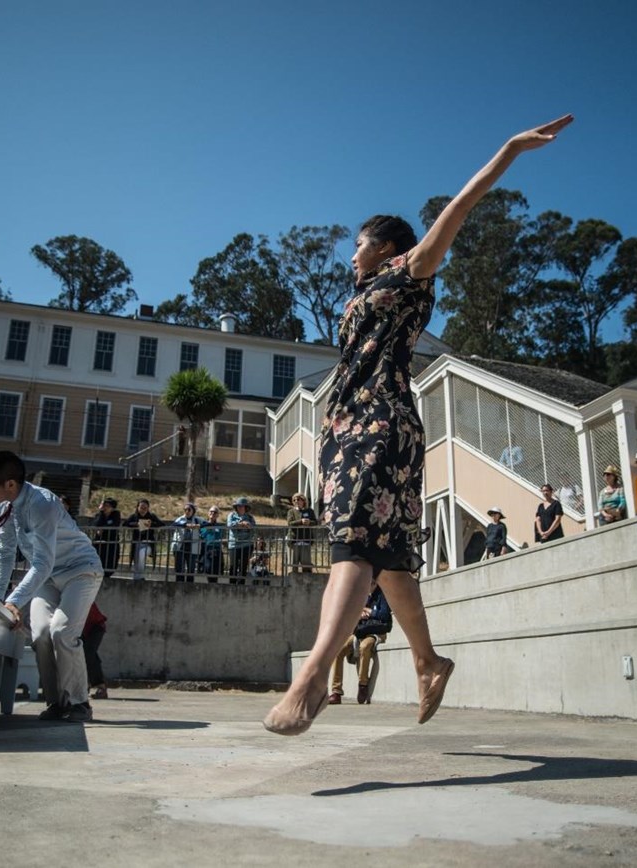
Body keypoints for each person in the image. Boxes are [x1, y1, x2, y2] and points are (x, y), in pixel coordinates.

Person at [264, 113, 574, 736]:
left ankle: (312, 678)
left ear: (386, 246)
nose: (352, 253)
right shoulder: (365, 293)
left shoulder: (410, 274)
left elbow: (460, 206)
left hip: (382, 423)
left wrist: (510, 149)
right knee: (391, 560)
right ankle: (430, 663)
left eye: (359, 243)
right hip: (346, 429)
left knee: (354, 546)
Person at [0, 450, 106, 721]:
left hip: (80, 570)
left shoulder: (42, 503)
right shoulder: (4, 506)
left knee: (61, 631)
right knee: (40, 635)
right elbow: (4, 553)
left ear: (10, 484)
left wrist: (14, 601)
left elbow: (42, 562)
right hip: (47, 578)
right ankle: (57, 703)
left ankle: (80, 702)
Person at [329, 584, 392, 705]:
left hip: (376, 632)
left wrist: (369, 611)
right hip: (362, 630)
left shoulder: (382, 594)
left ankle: (363, 685)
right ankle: (336, 692)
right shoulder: (364, 596)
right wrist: (360, 615)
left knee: (364, 646)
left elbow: (384, 615)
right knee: (338, 650)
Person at [122, 499, 165, 581]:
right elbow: (125, 523)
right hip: (136, 542)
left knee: (141, 554)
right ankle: (137, 578)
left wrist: (151, 524)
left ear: (148, 508)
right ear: (138, 507)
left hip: (148, 543)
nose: (143, 510)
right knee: (137, 559)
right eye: (141, 507)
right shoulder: (134, 516)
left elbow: (161, 524)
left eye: (145, 508)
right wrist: (136, 524)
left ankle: (140, 576)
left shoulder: (151, 516)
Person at [170, 503, 205, 582]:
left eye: (189, 509)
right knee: (179, 569)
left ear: (193, 511)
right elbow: (173, 524)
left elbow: (206, 524)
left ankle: (189, 587)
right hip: (180, 546)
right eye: (185, 510)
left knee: (191, 569)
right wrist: (185, 525)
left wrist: (198, 526)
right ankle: (179, 585)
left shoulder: (197, 519)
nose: (187, 511)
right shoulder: (180, 519)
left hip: (192, 547)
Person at [81, 602, 108, 701]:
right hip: (82, 629)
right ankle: (85, 685)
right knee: (84, 655)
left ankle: (100, 686)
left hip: (96, 627)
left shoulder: (81, 594)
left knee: (89, 654)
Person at [286, 493, 318, 574]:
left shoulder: (309, 511)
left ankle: (308, 583)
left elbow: (315, 522)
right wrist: (301, 521)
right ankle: (291, 583)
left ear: (303, 501)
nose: (296, 501)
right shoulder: (291, 511)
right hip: (294, 540)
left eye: (298, 499)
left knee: (306, 566)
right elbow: (290, 523)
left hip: (306, 540)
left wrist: (309, 522)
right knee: (293, 566)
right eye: (294, 500)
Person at [226, 497, 256, 584]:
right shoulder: (231, 515)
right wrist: (241, 524)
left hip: (247, 544)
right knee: (233, 566)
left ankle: (241, 585)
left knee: (243, 566)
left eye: (242, 506)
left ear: (246, 507)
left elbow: (254, 527)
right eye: (239, 506)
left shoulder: (250, 517)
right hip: (234, 545)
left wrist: (248, 525)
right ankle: (232, 584)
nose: (241, 508)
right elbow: (229, 525)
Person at [91, 497, 122, 577]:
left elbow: (114, 524)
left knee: (110, 560)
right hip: (99, 541)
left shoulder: (116, 514)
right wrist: (101, 513)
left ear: (112, 508)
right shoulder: (99, 515)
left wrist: (103, 528)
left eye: (108, 506)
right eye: (104, 505)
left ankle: (107, 574)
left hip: (111, 541)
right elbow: (95, 524)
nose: (105, 507)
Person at [199, 506, 225, 582]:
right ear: (208, 513)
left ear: (218, 515)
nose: (212, 513)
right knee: (208, 570)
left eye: (215, 512)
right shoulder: (203, 525)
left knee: (216, 573)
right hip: (207, 550)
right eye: (211, 511)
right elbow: (201, 537)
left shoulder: (219, 527)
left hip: (217, 551)